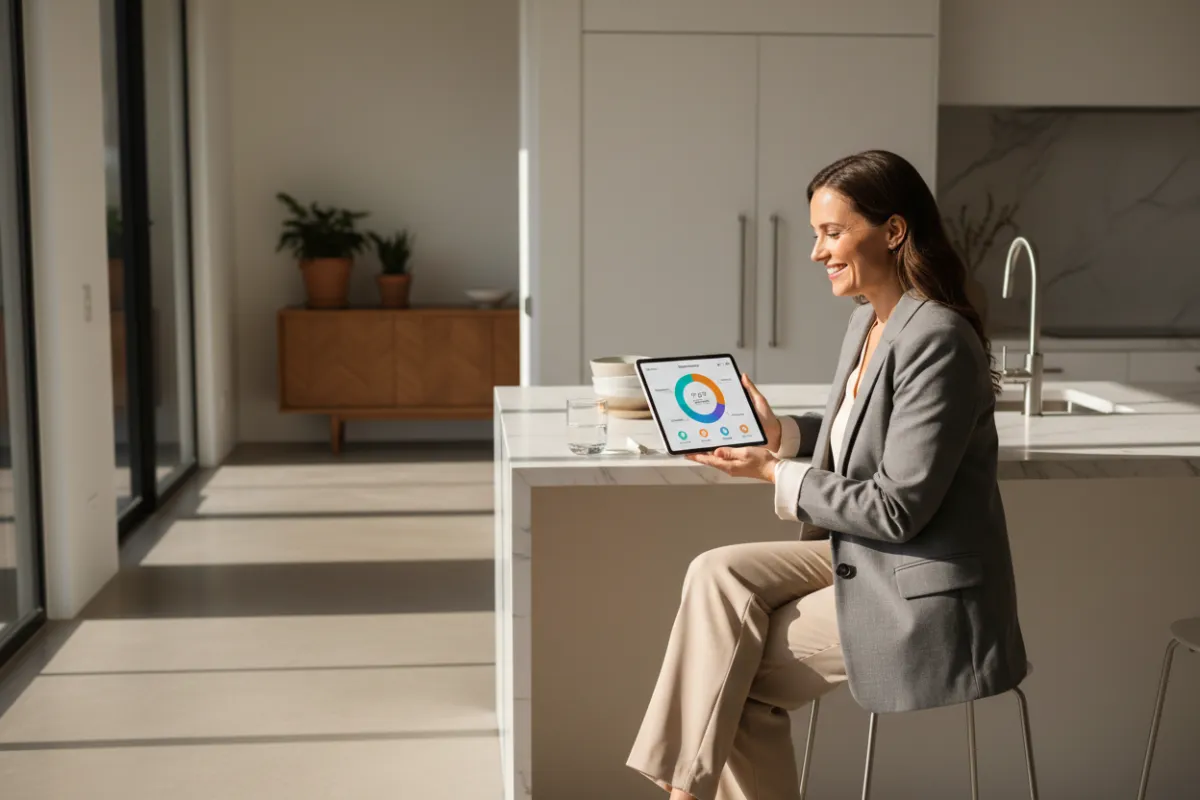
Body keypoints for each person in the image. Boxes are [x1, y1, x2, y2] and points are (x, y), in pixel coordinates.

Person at [626, 150, 1028, 800]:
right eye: (816, 234)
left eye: (831, 232)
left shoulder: (940, 340)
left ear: (893, 231)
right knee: (715, 572)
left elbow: (898, 507)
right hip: (871, 556)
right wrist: (780, 431)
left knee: (736, 681)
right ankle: (685, 790)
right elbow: (863, 429)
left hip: (923, 586)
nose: (816, 252)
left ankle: (682, 792)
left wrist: (774, 472)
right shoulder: (868, 323)